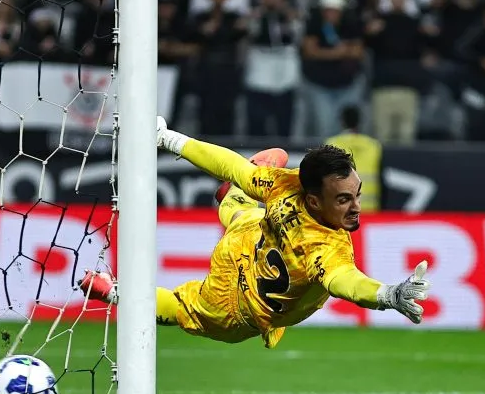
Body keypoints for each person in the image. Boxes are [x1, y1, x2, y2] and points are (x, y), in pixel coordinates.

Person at [81, 118, 430, 348]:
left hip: (250, 241)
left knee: (245, 207)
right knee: (182, 308)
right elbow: (346, 282)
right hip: (238, 305)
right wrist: (389, 295)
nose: (356, 207)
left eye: (357, 193)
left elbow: (232, 164)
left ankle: (232, 198)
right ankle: (113, 292)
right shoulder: (326, 248)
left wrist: (168, 138)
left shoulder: (284, 184)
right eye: (343, 199)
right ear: (313, 199)